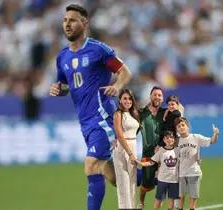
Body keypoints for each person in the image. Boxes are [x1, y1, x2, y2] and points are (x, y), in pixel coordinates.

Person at [49, 4, 131, 210]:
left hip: (102, 117)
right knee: (115, 178)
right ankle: (160, 175)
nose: (67, 24)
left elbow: (125, 72)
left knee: (92, 166)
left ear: (85, 24)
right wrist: (60, 89)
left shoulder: (98, 50)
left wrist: (117, 86)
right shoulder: (62, 58)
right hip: (85, 122)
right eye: (65, 20)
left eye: (72, 20)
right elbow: (68, 85)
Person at [175, 117, 220, 210]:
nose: (181, 127)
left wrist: (216, 134)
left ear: (188, 127)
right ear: (176, 129)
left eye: (183, 125)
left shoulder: (196, 137)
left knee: (193, 198)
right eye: (179, 126)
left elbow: (212, 141)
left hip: (194, 172)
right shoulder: (176, 141)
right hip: (180, 174)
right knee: (180, 198)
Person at [138, 86, 166, 208]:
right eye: (155, 94)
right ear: (150, 96)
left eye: (159, 95)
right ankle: (141, 201)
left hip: (164, 154)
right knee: (147, 184)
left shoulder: (165, 113)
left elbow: (180, 108)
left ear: (162, 98)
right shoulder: (142, 112)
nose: (157, 97)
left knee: (165, 179)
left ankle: (159, 200)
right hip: (148, 155)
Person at [136, 130, 179, 210]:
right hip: (162, 180)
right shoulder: (161, 151)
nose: (170, 139)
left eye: (172, 137)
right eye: (167, 138)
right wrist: (141, 163)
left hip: (174, 180)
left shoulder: (177, 150)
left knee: (171, 200)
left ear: (175, 139)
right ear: (164, 140)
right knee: (158, 199)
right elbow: (152, 162)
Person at [113, 89, 140, 209]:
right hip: (123, 149)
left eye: (129, 98)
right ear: (120, 100)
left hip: (133, 146)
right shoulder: (118, 114)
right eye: (124, 98)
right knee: (123, 183)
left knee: (132, 182)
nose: (127, 101)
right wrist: (130, 153)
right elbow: (119, 134)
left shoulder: (134, 113)